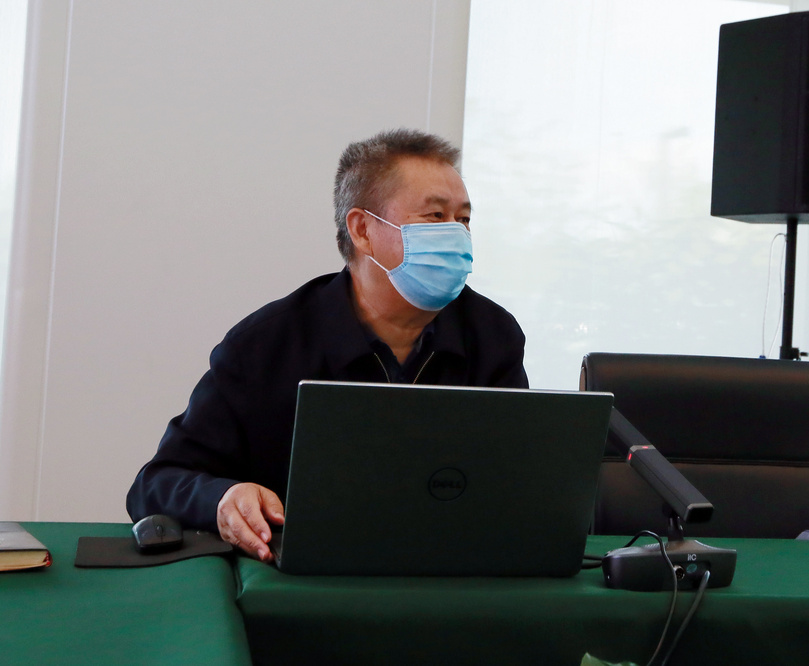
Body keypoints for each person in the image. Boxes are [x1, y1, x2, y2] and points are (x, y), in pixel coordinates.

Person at [126, 129, 529, 561]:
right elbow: (155, 484)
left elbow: (520, 479)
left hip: (450, 570)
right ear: (362, 230)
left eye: (463, 220)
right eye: (435, 216)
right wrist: (222, 498)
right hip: (301, 578)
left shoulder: (492, 334)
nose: (456, 235)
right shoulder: (266, 345)